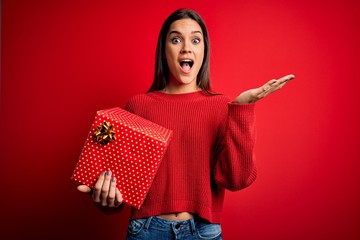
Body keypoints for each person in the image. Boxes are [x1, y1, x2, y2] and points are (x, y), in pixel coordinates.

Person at [77, 8, 294, 240]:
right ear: (164, 51)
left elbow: (237, 179)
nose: (186, 47)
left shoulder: (221, 106)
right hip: (146, 231)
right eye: (176, 39)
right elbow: (119, 192)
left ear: (203, 51)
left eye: (195, 39)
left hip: (202, 231)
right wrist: (105, 200)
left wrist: (242, 109)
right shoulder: (138, 106)